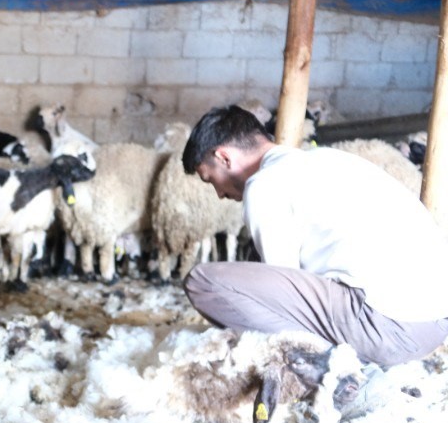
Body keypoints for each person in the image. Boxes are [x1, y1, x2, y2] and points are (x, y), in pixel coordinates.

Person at [181, 105, 448, 373]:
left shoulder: (264, 184)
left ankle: (316, 365)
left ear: (224, 157)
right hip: (434, 324)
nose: (218, 193)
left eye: (210, 179)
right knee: (255, 260)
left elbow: (280, 289)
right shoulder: (327, 159)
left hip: (387, 329)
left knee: (202, 282)